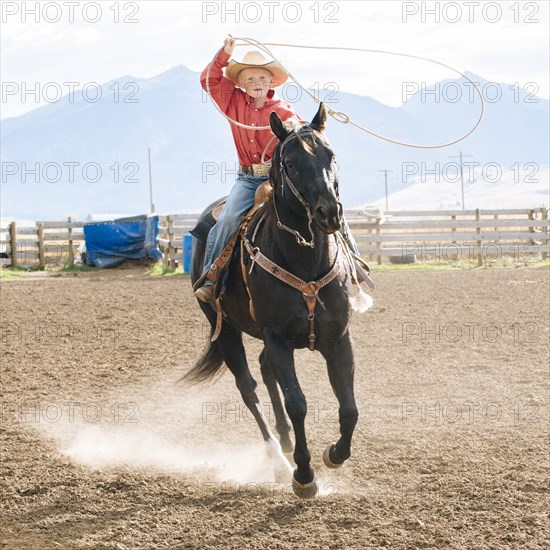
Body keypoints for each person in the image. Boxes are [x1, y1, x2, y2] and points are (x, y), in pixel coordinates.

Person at [194, 37, 300, 303]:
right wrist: (224, 54)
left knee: (320, 205)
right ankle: (212, 276)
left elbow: (300, 131)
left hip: (279, 179)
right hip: (249, 179)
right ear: (240, 83)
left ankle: (351, 263)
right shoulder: (232, 102)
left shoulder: (284, 111)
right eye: (250, 78)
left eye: (262, 78)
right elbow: (208, 80)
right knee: (229, 218)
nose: (256, 83)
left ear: (271, 83)